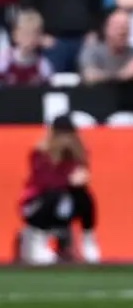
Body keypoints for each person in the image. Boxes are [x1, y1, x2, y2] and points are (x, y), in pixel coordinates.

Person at [18, 114, 100, 266]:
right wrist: (69, 180)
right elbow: (45, 182)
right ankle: (38, 241)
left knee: (84, 197)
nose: (66, 139)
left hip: (63, 204)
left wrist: (80, 180)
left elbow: (79, 179)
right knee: (55, 195)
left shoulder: (79, 155)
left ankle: (88, 240)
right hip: (37, 205)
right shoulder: (41, 153)